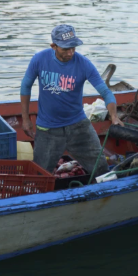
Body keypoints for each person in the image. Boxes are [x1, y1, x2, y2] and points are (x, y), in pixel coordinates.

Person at [20, 24, 122, 178]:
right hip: (48, 129)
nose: (71, 52)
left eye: (73, 47)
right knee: (39, 176)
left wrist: (114, 115)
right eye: (65, 49)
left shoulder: (83, 63)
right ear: (53, 46)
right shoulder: (40, 59)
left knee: (101, 169)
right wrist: (26, 119)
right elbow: (25, 86)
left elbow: (105, 92)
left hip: (78, 126)